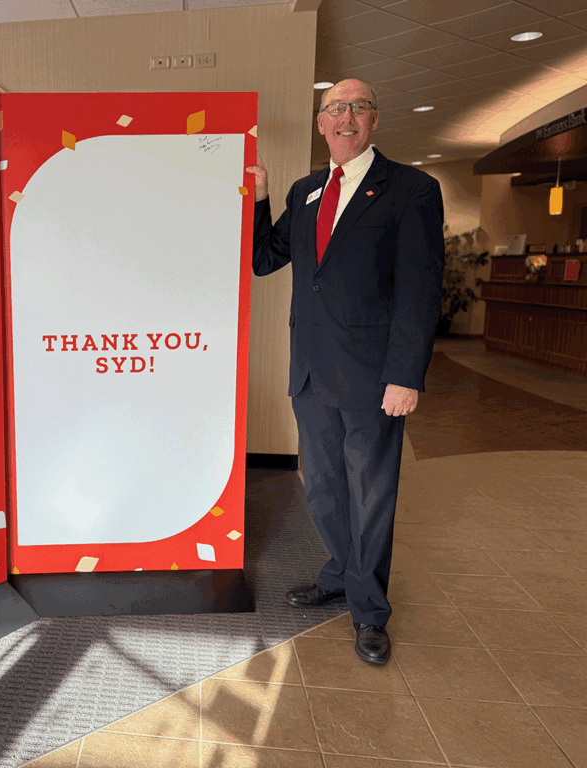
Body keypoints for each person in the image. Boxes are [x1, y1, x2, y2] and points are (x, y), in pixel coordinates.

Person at [247, 79, 444, 666]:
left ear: (374, 121)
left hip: (372, 377)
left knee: (372, 495)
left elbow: (420, 290)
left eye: (358, 108)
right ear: (320, 122)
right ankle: (339, 573)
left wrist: (406, 375)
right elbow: (265, 260)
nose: (346, 118)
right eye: (335, 108)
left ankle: (369, 611)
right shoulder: (306, 190)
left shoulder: (412, 189)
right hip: (311, 371)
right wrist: (258, 198)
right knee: (326, 490)